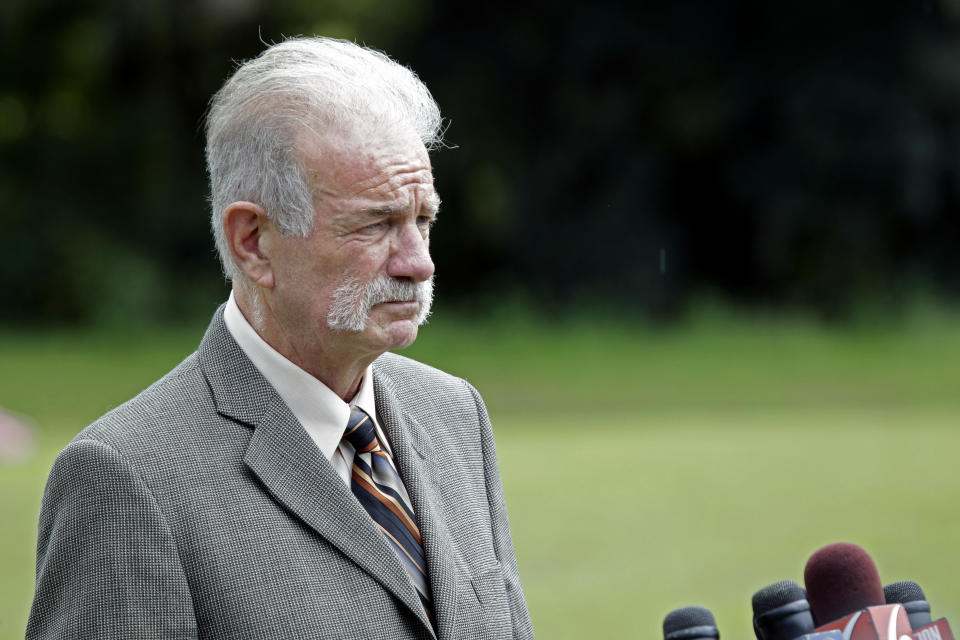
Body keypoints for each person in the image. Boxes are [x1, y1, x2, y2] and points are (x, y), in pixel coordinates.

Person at [27, 37, 534, 640]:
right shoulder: (126, 480)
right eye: (376, 223)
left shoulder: (455, 416)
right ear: (253, 242)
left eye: (422, 220)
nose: (418, 263)